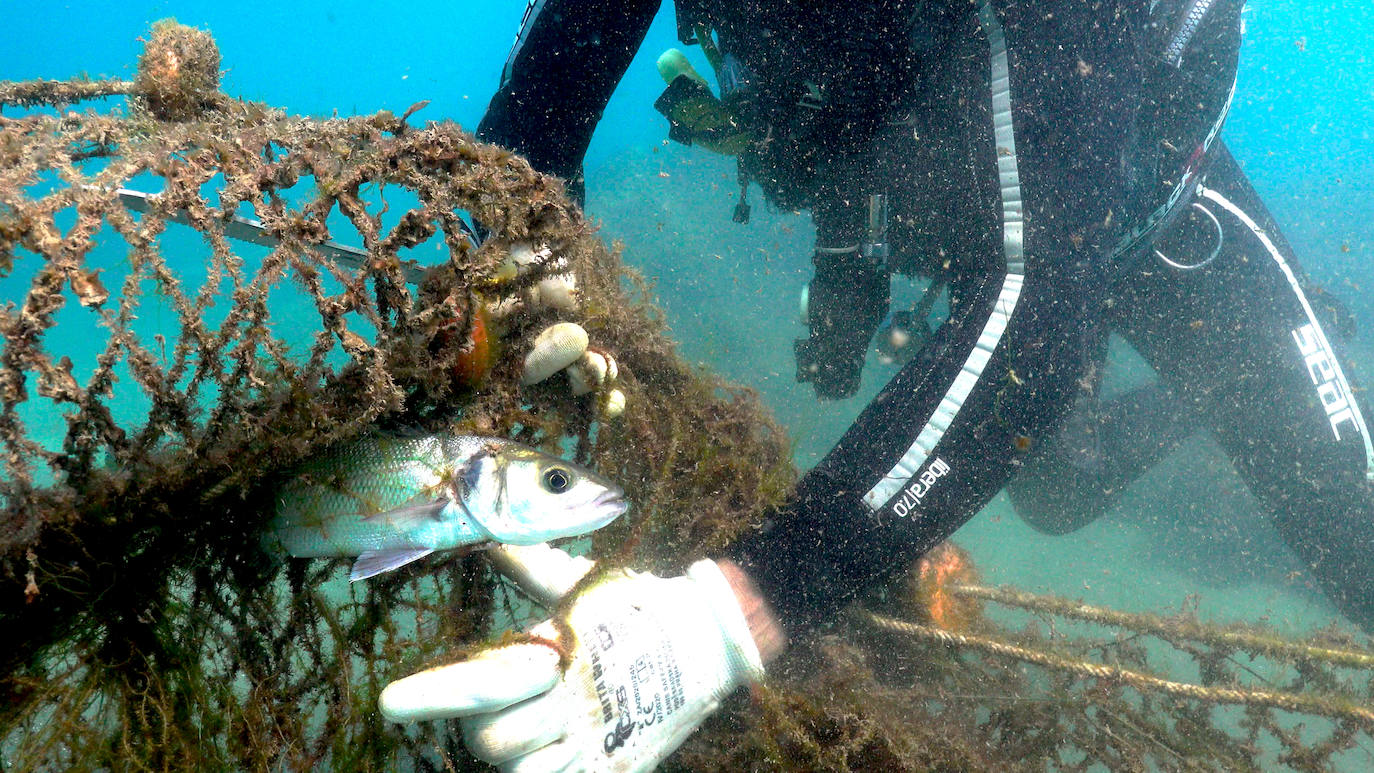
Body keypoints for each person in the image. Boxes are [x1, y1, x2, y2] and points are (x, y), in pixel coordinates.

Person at [378, 1, 1374, 769]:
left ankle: (1246, 369)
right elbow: (543, 116)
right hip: (958, 214)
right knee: (1059, 488)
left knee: (1357, 545)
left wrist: (740, 604)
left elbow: (1038, 312)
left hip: (1143, 235)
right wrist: (528, 234)